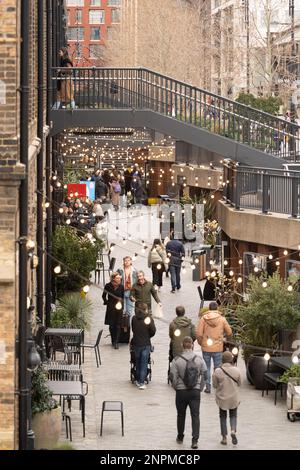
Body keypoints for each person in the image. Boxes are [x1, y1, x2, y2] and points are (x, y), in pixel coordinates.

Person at [170, 336, 207, 449]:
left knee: (181, 415)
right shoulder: (199, 359)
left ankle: (180, 436)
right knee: (195, 415)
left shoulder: (176, 360)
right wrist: (200, 388)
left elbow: (172, 377)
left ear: (182, 345)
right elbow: (205, 375)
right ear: (192, 345)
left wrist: (176, 387)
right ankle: (195, 440)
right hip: (195, 392)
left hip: (181, 392)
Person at [196, 301, 232, 394]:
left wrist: (201, 343)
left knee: (207, 367)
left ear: (209, 308)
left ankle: (208, 387)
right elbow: (229, 332)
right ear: (217, 308)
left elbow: (199, 333)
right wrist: (226, 339)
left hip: (206, 347)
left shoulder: (203, 318)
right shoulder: (222, 319)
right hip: (218, 347)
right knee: (217, 367)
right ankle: (218, 385)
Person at [212, 351, 241, 446]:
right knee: (233, 415)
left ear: (222, 360)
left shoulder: (217, 371)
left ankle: (224, 437)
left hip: (222, 397)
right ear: (231, 360)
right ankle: (233, 430)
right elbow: (240, 384)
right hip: (233, 397)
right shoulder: (237, 371)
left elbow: (215, 385)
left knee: (222, 416)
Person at [131, 302, 156, 389]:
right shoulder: (149, 319)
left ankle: (138, 379)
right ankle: (141, 382)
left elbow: (133, 329)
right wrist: (147, 335)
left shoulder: (134, 318)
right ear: (145, 310)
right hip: (146, 343)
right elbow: (153, 331)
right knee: (144, 363)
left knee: (138, 362)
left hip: (136, 343)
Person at [102, 272, 124, 349]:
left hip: (119, 307)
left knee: (118, 325)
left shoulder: (121, 287)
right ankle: (113, 339)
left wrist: (121, 302)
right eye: (117, 278)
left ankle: (116, 342)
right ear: (113, 278)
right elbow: (104, 296)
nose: (119, 279)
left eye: (119, 278)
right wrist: (106, 302)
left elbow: (123, 297)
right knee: (111, 325)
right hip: (111, 308)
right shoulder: (108, 286)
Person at [117, 256, 138, 322]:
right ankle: (122, 325)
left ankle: (128, 325)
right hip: (122, 291)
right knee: (122, 309)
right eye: (125, 261)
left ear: (131, 261)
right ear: (123, 262)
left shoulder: (134, 271)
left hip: (130, 292)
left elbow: (137, 282)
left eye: (128, 260)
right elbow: (115, 278)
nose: (127, 262)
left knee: (129, 310)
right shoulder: (120, 270)